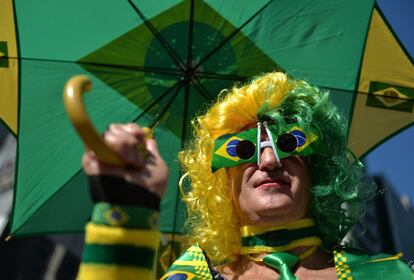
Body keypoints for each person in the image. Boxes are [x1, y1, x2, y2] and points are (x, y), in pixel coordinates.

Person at [77, 72, 413, 279]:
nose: (269, 159)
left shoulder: (386, 274)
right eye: (240, 150)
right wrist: (128, 210)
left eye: (289, 142)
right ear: (219, 180)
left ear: (318, 169)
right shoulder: (190, 277)